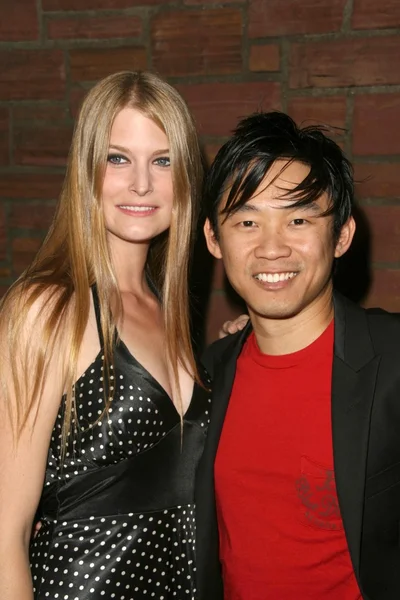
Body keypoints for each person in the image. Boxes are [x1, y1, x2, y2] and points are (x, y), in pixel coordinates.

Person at [0, 70, 210, 600]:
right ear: (86, 169)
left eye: (162, 161)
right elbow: (5, 534)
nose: (141, 183)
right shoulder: (49, 308)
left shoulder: (172, 312)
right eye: (118, 158)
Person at [196, 111, 400, 600]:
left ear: (342, 236)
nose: (272, 248)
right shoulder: (203, 377)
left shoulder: (393, 360)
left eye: (299, 219)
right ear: (213, 239)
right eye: (247, 220)